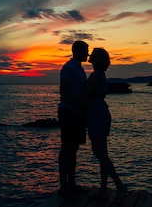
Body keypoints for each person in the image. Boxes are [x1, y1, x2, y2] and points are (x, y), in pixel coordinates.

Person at [83, 47, 128, 201]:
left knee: (99, 153)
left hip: (96, 114)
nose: (90, 56)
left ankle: (119, 185)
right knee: (103, 153)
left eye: (93, 55)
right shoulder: (101, 75)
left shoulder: (96, 75)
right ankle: (103, 189)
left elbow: (85, 94)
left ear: (97, 59)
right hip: (100, 113)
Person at [58, 40, 89, 199]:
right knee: (67, 148)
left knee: (73, 149)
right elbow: (63, 91)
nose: (87, 54)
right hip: (69, 111)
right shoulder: (69, 68)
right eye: (85, 51)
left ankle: (71, 184)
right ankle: (64, 186)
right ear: (76, 51)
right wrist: (80, 102)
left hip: (76, 113)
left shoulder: (79, 69)